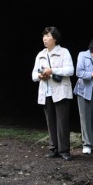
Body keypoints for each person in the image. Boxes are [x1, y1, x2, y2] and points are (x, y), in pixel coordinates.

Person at [32, 26, 74, 161]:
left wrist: (52, 70)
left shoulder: (64, 52)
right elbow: (33, 75)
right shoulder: (40, 54)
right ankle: (53, 148)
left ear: (55, 38)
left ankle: (64, 150)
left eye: (48, 36)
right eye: (44, 36)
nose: (45, 38)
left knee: (62, 121)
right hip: (46, 92)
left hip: (61, 91)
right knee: (50, 122)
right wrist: (40, 76)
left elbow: (70, 70)